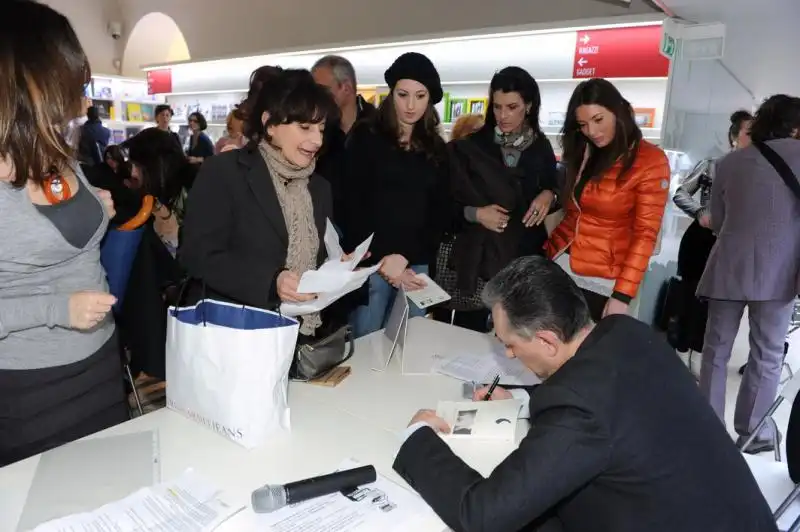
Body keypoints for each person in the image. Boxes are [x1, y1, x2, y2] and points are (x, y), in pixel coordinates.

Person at [394, 256, 777, 532]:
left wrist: (417, 439)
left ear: (546, 340)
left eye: (509, 343)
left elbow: (481, 515)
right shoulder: (627, 333)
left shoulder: (580, 410)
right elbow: (614, 402)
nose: (508, 354)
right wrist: (524, 398)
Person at [179, 69, 407, 338]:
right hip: (237, 336)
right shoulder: (226, 172)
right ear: (270, 124)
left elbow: (311, 259)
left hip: (302, 336)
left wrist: (338, 265)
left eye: (321, 129)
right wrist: (271, 281)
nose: (317, 140)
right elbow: (197, 256)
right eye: (305, 127)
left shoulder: (318, 187)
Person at [0, 0, 128, 467]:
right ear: (31, 86)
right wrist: (57, 310)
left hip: (98, 362)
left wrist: (98, 212)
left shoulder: (57, 152)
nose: (86, 102)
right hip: (29, 388)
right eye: (74, 88)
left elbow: (60, 232)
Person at [698, 94, 800, 454]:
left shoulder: (729, 162)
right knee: (767, 353)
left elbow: (719, 221)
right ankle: (753, 432)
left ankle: (707, 429)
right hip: (780, 273)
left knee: (716, 349)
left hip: (728, 266)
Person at [342, 52, 453, 338]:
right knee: (365, 345)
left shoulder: (437, 149)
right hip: (372, 263)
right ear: (392, 94)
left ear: (430, 99)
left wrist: (405, 257)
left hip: (415, 264)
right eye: (403, 94)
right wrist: (383, 260)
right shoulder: (365, 137)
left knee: (407, 345)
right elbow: (351, 204)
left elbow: (438, 214)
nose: (411, 105)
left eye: (420, 95)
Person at [545, 78, 670, 321]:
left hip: (605, 279)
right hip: (562, 265)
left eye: (598, 119)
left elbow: (646, 234)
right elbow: (574, 212)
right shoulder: (584, 150)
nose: (591, 131)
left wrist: (622, 296)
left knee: (591, 353)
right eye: (583, 124)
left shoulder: (650, 160)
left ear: (618, 111)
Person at [447, 67, 559, 332]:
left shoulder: (540, 146)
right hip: (480, 258)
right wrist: (476, 213)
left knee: (518, 335)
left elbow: (552, 186)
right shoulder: (470, 147)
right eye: (497, 107)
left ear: (529, 106)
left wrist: (548, 194)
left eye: (512, 107)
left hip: (523, 255)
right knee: (469, 334)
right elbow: (446, 202)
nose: (503, 115)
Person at [672, 110, 753, 353]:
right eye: (749, 133)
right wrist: (700, 212)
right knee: (690, 297)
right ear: (734, 137)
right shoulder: (711, 165)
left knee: (717, 304)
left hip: (732, 245)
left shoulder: (759, 174)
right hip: (701, 240)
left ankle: (702, 353)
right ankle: (681, 349)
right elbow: (680, 192)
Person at [312, 55, 376, 225]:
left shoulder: (380, 128)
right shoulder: (317, 131)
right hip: (326, 234)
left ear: (346, 88)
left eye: (322, 90)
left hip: (370, 236)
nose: (316, 97)